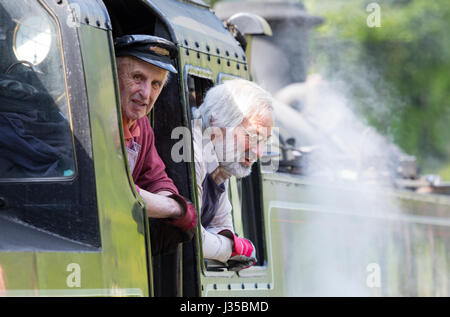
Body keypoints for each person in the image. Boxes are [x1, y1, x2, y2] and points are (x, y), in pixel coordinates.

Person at [114, 34, 197, 254]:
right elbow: (111, 192)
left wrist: (170, 203)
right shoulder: (93, 120)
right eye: (138, 78)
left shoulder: (142, 126)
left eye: (156, 84)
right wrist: (175, 207)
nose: (146, 93)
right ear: (113, 76)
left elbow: (157, 180)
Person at [192, 79, 274, 270]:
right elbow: (194, 239)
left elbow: (222, 227)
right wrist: (231, 248)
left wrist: (223, 243)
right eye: (252, 136)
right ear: (216, 122)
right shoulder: (192, 152)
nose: (259, 152)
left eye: (264, 141)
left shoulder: (223, 160)